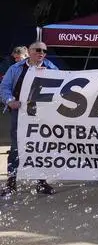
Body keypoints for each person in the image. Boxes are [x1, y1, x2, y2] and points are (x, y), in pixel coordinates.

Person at [1, 41, 60, 198]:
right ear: (29, 51)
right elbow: (4, 87)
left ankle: (41, 182)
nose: (41, 53)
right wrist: (9, 101)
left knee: (41, 147)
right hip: (19, 112)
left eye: (44, 51)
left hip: (42, 114)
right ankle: (11, 184)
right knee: (16, 147)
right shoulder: (16, 68)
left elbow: (62, 85)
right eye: (37, 50)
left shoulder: (51, 68)